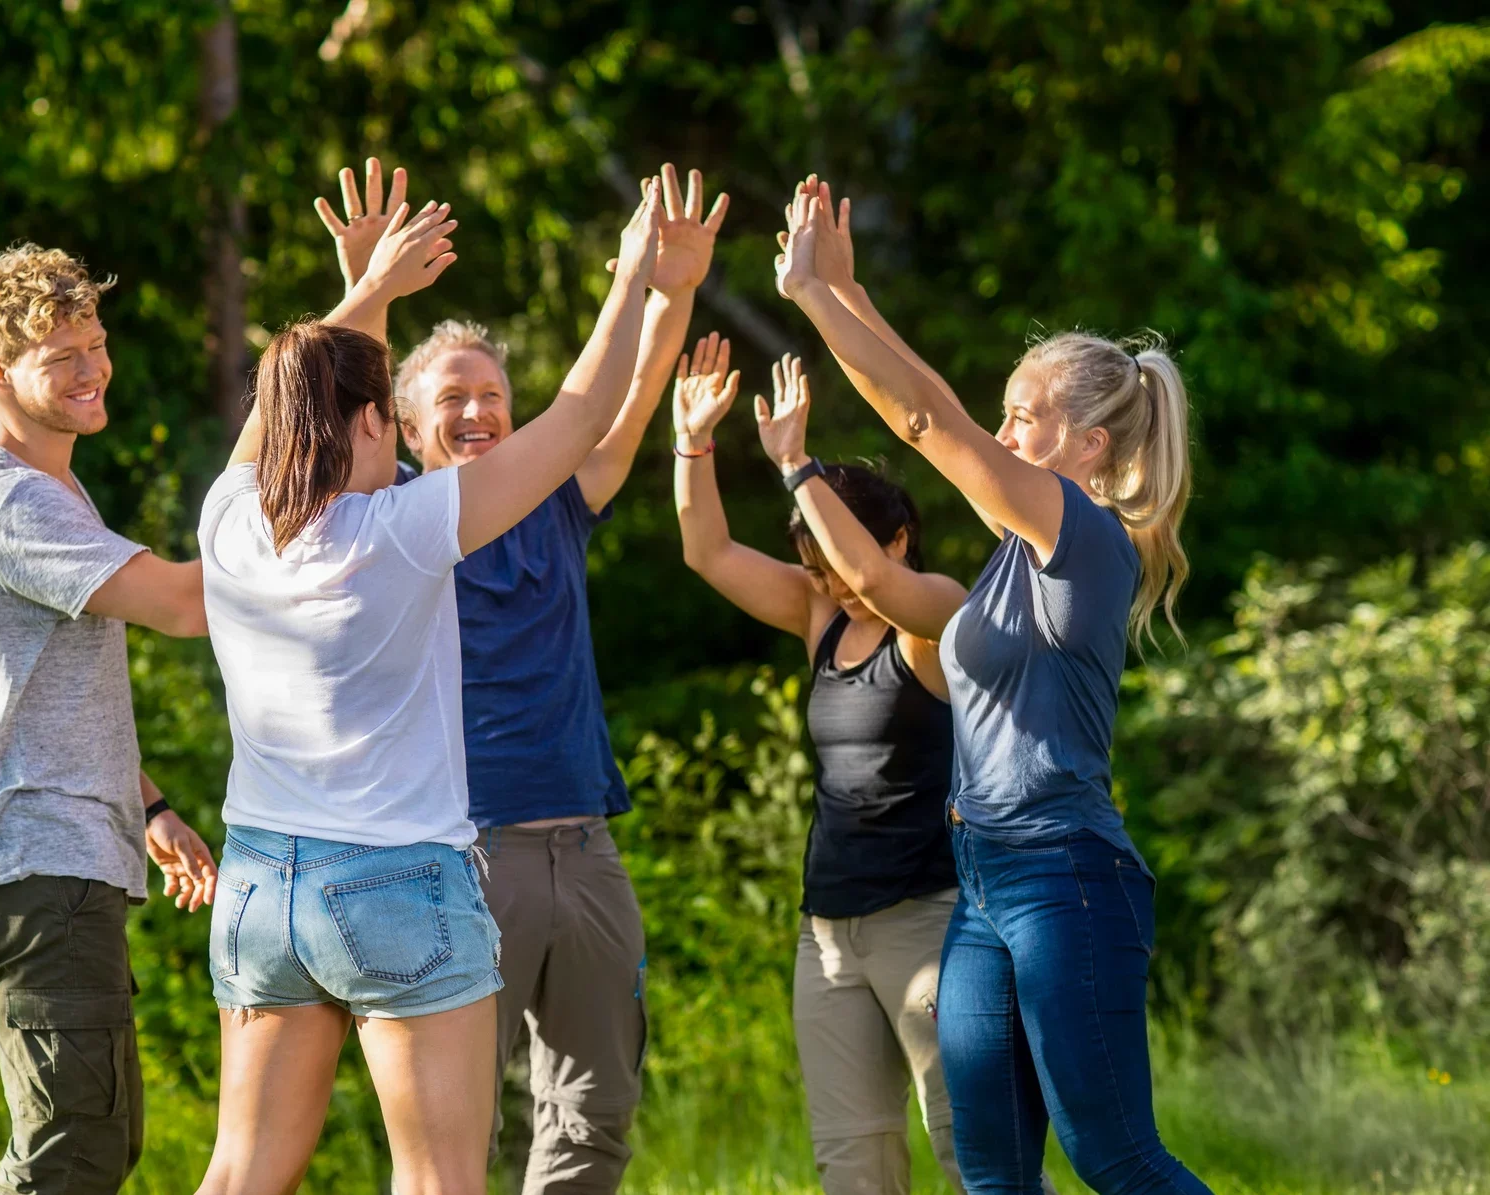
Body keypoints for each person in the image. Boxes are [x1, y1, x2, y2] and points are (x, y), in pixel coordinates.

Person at [193, 182, 661, 1195]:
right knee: (442, 1178)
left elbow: (289, 404)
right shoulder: (398, 533)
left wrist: (363, 289)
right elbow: (580, 418)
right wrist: (630, 273)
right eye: (382, 419)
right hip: (391, 878)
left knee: (239, 1171)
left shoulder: (226, 519)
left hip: (257, 886)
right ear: (372, 424)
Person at [774, 178, 1208, 1195]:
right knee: (992, 1168)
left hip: (1063, 875)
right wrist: (839, 288)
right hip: (977, 877)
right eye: (1004, 417)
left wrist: (814, 299)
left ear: (1087, 447)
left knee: (1113, 1156)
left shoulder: (1080, 537)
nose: (1003, 437)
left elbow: (929, 419)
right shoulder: (1003, 567)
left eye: (1026, 420)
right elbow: (929, 421)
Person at [315, 156, 728, 1194]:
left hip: (585, 848)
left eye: (490, 394)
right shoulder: (399, 522)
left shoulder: (554, 504)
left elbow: (620, 406)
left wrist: (667, 289)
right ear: (405, 430)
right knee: (453, 1138)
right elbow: (329, 426)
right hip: (464, 854)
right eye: (449, 399)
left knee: (594, 1115)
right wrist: (364, 292)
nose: (475, 412)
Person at [0, 243, 222, 1195]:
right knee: (74, 1149)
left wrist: (148, 806)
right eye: (63, 357)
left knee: (102, 1141)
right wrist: (301, 497)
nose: (92, 368)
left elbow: (33, 697)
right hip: (34, 866)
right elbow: (184, 604)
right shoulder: (9, 500)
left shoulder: (57, 488)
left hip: (66, 859)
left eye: (94, 342)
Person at [671, 338, 974, 1193]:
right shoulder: (822, 617)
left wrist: (798, 461)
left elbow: (872, 574)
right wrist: (692, 445)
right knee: (853, 1163)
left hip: (932, 922)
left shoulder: (937, 615)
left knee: (974, 1150)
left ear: (900, 536)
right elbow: (709, 551)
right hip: (830, 934)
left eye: (831, 563)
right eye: (814, 567)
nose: (829, 582)